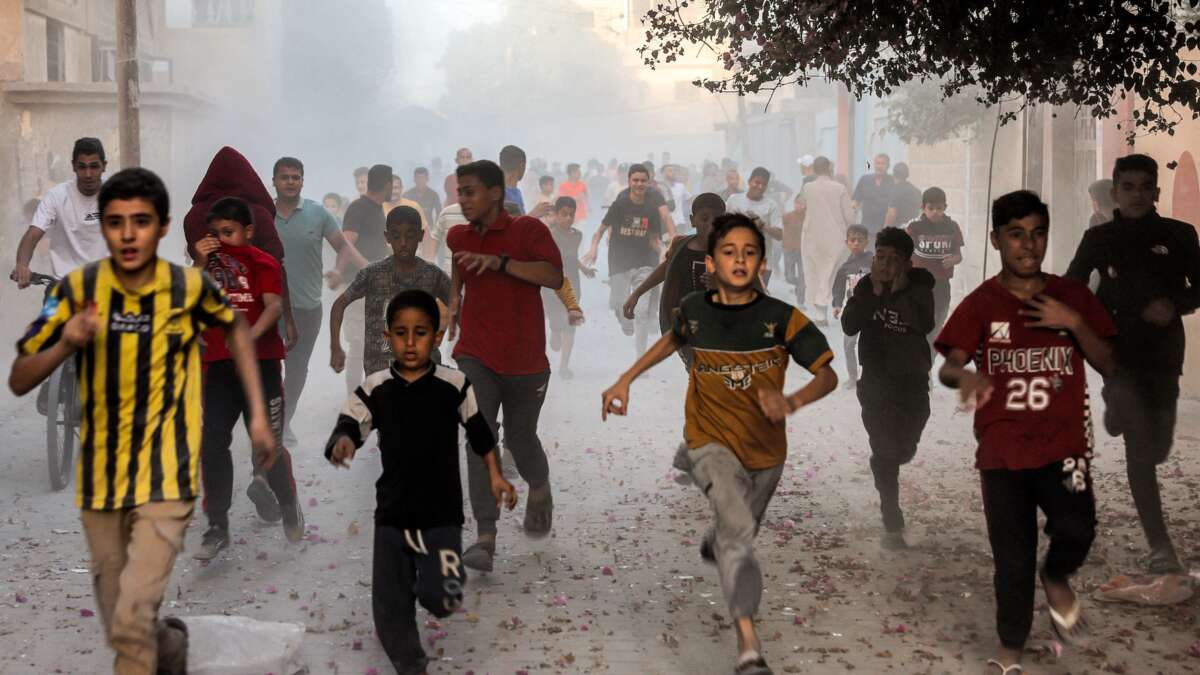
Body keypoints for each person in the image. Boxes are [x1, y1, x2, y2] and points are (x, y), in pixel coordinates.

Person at [9, 168, 276, 675]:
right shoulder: (76, 292)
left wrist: (259, 419)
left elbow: (237, 332)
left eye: (141, 222)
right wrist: (67, 340)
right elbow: (22, 377)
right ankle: (169, 647)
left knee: (131, 625)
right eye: (115, 222)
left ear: (162, 226)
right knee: (122, 618)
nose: (129, 234)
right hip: (103, 486)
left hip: (166, 480)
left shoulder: (187, 288)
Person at [601, 213, 837, 675]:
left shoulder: (782, 319)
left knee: (738, 528)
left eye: (750, 252)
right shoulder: (694, 308)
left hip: (767, 455)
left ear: (762, 263)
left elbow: (826, 375)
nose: (739, 260)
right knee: (739, 538)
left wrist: (792, 401)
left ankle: (717, 531)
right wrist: (625, 379)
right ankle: (748, 643)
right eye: (729, 252)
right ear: (710, 262)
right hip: (709, 440)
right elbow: (673, 340)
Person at [937, 190, 1116, 674]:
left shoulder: (1072, 296)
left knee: (1078, 529)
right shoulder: (979, 304)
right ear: (996, 240)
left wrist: (1074, 322)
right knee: (1012, 559)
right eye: (1016, 235)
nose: (1028, 246)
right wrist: (967, 376)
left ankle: (1057, 576)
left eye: (1037, 234)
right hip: (1002, 452)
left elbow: (1110, 362)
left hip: (1066, 451)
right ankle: (1009, 653)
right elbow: (948, 368)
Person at [325, 289, 517, 675]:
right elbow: (351, 422)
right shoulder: (376, 387)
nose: (410, 343)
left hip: (440, 514)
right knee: (390, 609)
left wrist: (496, 475)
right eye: (400, 333)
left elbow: (481, 433)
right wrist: (342, 441)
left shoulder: (455, 385)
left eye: (421, 333)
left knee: (441, 597)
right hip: (393, 513)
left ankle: (426, 579)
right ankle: (411, 664)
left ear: (437, 337)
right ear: (386, 337)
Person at [1066, 154, 1200, 574]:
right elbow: (1073, 286)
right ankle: (1160, 544)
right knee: (1140, 451)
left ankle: (1121, 411)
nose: (1137, 194)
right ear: (1115, 193)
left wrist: (1174, 303)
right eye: (1128, 187)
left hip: (1163, 354)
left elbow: (1199, 289)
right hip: (1116, 354)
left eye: (1145, 187)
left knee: (1157, 446)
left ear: (1157, 192)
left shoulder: (1179, 235)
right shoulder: (1099, 238)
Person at [445, 159, 564, 572]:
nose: (463, 199)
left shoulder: (528, 230)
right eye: (459, 192)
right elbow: (460, 267)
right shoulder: (457, 234)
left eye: (470, 191)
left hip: (526, 361)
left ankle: (541, 487)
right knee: (478, 435)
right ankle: (485, 537)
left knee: (520, 438)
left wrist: (503, 264)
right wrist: (455, 302)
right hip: (475, 352)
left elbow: (552, 276)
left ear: (496, 192)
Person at [191, 197, 304, 560]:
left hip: (263, 365)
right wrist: (197, 261)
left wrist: (249, 338)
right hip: (220, 367)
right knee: (212, 444)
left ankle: (288, 502)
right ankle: (217, 524)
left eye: (229, 232)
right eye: (214, 233)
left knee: (267, 444)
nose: (221, 239)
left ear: (249, 231)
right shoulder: (206, 266)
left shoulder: (263, 262)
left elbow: (272, 306)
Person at [841, 227, 934, 549]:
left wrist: (901, 292)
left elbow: (924, 324)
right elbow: (849, 325)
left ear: (907, 263)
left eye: (893, 260)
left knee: (904, 447)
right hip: (877, 381)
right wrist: (875, 295)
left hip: (912, 381)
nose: (884, 265)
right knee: (884, 451)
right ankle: (890, 514)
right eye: (880, 257)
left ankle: (893, 458)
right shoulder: (867, 286)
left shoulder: (921, 288)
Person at [272, 157, 368, 445]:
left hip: (307, 306)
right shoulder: (262, 213)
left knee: (297, 367)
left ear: (303, 180)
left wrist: (339, 270)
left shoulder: (318, 213)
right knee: (268, 367)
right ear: (274, 181)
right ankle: (269, 421)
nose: (290, 181)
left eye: (295, 177)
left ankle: (283, 423)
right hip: (269, 306)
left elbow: (343, 246)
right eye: (284, 177)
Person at [183, 146, 296, 350]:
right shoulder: (259, 214)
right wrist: (288, 318)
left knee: (212, 375)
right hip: (256, 313)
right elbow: (276, 267)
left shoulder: (195, 217)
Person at [331, 205, 452, 380]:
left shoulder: (432, 275)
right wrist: (335, 346)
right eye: (396, 236)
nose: (403, 243)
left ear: (420, 236)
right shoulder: (372, 274)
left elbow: (459, 306)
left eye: (410, 236)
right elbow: (339, 304)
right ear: (387, 237)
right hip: (380, 370)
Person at [623, 192, 727, 369]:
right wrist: (637, 293)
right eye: (704, 219)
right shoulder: (681, 246)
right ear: (693, 220)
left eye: (717, 220)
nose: (710, 225)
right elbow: (665, 269)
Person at [582, 163, 664, 355]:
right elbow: (600, 231)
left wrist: (662, 251)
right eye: (635, 180)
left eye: (643, 180)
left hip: (644, 264)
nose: (639, 184)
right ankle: (624, 319)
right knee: (620, 305)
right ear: (629, 182)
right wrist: (593, 248)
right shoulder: (619, 205)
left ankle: (640, 358)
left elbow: (654, 239)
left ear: (648, 183)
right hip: (619, 264)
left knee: (641, 313)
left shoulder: (652, 209)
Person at [12, 137, 108, 286]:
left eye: (94, 166)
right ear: (73, 167)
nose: (88, 174)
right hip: (64, 287)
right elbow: (32, 235)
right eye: (82, 167)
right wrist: (22, 265)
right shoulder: (56, 196)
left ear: (104, 166)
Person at [906, 187, 964, 352]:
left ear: (945, 207)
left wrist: (953, 259)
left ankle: (929, 355)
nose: (935, 212)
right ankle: (922, 360)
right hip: (919, 283)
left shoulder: (952, 227)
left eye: (939, 208)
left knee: (939, 321)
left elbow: (959, 255)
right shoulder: (915, 227)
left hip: (942, 283)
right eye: (930, 208)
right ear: (923, 208)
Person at [800, 156, 856, 325]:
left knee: (815, 273)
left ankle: (820, 314)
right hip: (835, 236)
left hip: (812, 236)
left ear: (815, 169)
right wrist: (853, 232)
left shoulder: (807, 187)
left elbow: (803, 207)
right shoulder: (839, 188)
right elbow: (849, 216)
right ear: (830, 168)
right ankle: (835, 307)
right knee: (831, 272)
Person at [543, 197, 589, 379]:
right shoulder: (548, 234)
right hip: (551, 285)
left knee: (571, 322)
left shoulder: (577, 235)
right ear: (556, 214)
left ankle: (564, 366)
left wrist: (584, 269)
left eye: (571, 214)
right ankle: (554, 330)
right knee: (556, 323)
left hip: (573, 284)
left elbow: (571, 257)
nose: (568, 218)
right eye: (564, 214)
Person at [831, 225, 873, 387]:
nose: (856, 243)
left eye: (860, 240)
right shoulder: (844, 267)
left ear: (866, 242)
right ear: (846, 242)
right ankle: (853, 377)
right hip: (853, 309)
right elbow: (839, 288)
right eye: (852, 240)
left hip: (872, 310)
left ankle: (871, 376)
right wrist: (836, 305)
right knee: (848, 343)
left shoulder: (874, 261)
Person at [726, 167, 785, 284]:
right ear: (749, 181)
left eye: (764, 184)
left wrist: (762, 225)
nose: (760, 187)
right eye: (757, 182)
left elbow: (780, 235)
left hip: (762, 263)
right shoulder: (734, 200)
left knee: (758, 300)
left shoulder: (771, 205)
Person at [385, 174, 433, 260]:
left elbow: (427, 237)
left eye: (395, 188)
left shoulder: (413, 206)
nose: (392, 191)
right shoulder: (379, 208)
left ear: (401, 188)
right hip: (386, 260)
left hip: (412, 258)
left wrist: (428, 260)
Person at [852, 153, 894, 236]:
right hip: (867, 228)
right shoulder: (864, 180)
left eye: (883, 163)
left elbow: (894, 207)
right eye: (878, 163)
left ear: (888, 166)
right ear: (874, 165)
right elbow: (855, 202)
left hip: (885, 229)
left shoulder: (892, 182)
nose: (880, 166)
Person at [781, 192, 806, 305]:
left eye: (801, 203)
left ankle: (800, 301)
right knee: (789, 277)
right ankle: (799, 285)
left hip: (803, 251)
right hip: (789, 249)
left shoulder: (808, 218)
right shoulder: (787, 216)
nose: (798, 205)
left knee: (802, 276)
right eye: (797, 203)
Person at [884, 162, 921, 228]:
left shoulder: (896, 190)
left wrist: (885, 229)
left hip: (900, 228)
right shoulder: (916, 190)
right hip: (914, 228)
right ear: (907, 174)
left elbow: (892, 213)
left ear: (894, 174)